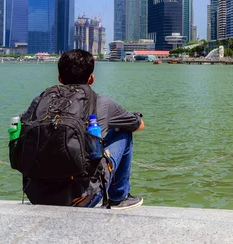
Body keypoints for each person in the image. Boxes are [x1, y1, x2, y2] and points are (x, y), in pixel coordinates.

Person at [19, 49, 145, 209]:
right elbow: (139, 125)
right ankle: (119, 197)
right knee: (124, 131)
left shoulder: (39, 102)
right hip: (84, 197)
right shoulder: (102, 102)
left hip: (36, 195)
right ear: (91, 79)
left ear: (59, 78)